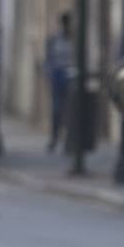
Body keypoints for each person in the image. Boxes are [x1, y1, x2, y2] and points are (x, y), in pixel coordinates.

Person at [45, 13, 73, 153]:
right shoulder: (55, 40)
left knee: (69, 111)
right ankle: (55, 138)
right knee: (57, 110)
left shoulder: (73, 39)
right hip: (58, 76)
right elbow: (49, 59)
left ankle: (68, 139)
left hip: (70, 77)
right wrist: (50, 75)